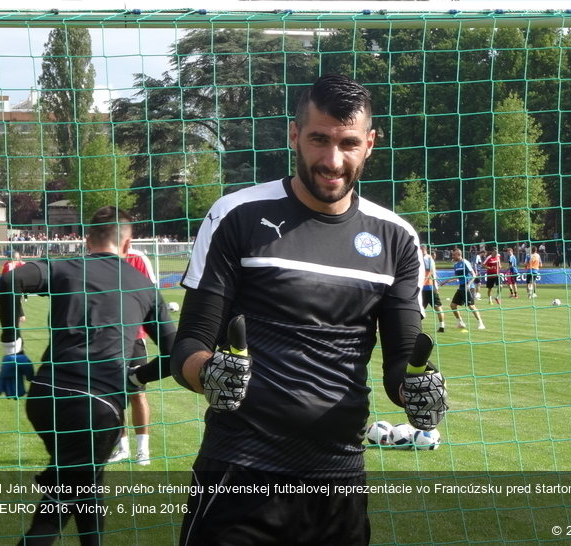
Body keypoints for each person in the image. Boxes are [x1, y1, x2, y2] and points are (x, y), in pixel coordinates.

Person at [169, 74, 448, 546]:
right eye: (319, 139)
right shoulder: (235, 214)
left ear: (370, 144)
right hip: (241, 470)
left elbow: (401, 361)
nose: (332, 160)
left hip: (338, 481)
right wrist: (208, 373)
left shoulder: (396, 238)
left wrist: (418, 388)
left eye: (348, 143)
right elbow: (189, 344)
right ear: (295, 134)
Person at [0, 206, 177, 545]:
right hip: (96, 409)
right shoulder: (143, 285)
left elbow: (10, 279)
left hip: (44, 397)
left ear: (87, 239)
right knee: (54, 513)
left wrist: (13, 350)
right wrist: (138, 378)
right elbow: (175, 354)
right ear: (128, 244)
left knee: (87, 480)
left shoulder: (65, 267)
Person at [107, 246, 164, 466]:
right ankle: (122, 448)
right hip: (107, 338)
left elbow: (152, 293)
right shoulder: (95, 259)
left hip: (134, 337)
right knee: (112, 395)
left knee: (137, 392)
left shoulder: (137, 257)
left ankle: (143, 450)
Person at [440, 247, 486, 330]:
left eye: (454, 255)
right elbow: (456, 277)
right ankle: (461, 323)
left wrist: (468, 284)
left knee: (471, 306)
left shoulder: (465, 262)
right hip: (461, 288)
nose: (452, 256)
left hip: (469, 288)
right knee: (453, 305)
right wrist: (446, 281)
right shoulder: (456, 265)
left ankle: (481, 323)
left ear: (459, 254)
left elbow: (474, 275)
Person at [422, 246, 446, 332]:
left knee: (437, 307)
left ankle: (442, 326)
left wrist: (423, 282)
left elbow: (429, 272)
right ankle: (441, 326)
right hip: (426, 287)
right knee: (421, 308)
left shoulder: (427, 258)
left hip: (428, 286)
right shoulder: (425, 258)